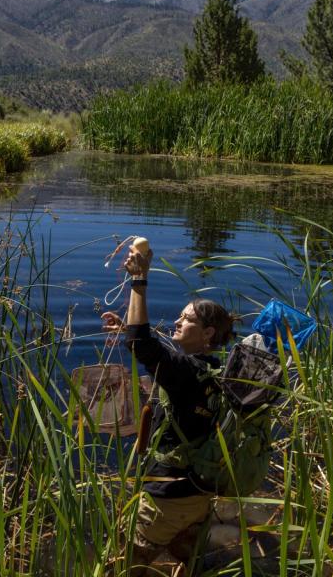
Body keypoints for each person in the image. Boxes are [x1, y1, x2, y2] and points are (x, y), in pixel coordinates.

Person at [101, 244, 237, 576]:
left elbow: (143, 345)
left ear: (207, 333)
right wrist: (127, 328)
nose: (177, 320)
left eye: (187, 318)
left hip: (166, 498)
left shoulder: (184, 371)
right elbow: (158, 354)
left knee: (116, 568)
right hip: (199, 493)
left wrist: (139, 279)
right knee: (189, 562)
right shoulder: (216, 370)